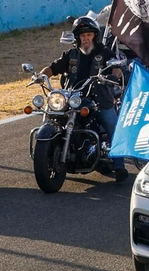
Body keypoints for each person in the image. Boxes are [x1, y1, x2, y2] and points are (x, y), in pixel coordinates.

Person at [45, 15, 127, 178]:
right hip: (72, 97)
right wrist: (40, 76)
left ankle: (119, 166)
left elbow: (116, 67)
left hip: (98, 98)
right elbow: (53, 68)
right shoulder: (71, 54)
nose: (86, 39)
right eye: (83, 35)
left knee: (112, 124)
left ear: (94, 36)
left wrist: (113, 76)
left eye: (89, 35)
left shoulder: (104, 53)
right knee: (52, 115)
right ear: (77, 37)